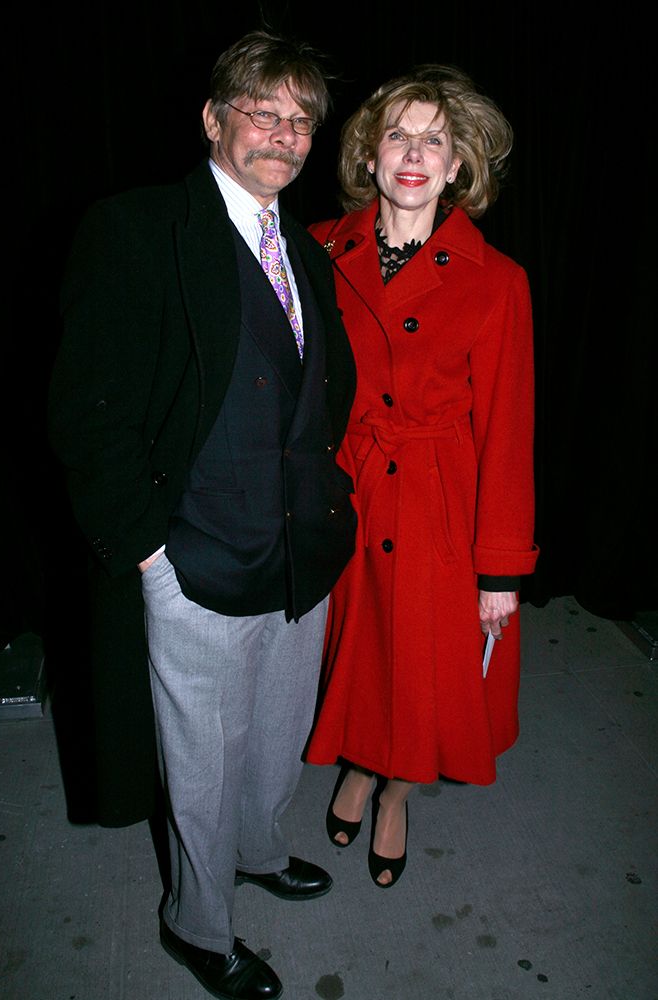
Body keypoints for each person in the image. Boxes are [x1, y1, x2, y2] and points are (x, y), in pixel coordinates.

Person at [48, 30, 357, 1000]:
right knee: (205, 756)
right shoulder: (137, 229)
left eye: (301, 117)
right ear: (215, 118)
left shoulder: (306, 254)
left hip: (299, 548)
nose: (284, 132)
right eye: (262, 110)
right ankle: (198, 919)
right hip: (192, 554)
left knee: (277, 730)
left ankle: (261, 851)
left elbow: (319, 398)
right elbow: (87, 410)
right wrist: (147, 552)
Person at [306, 64, 539, 889]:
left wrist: (500, 569)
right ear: (369, 155)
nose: (414, 153)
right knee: (363, 656)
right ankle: (361, 767)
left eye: (433, 140)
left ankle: (394, 792)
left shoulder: (499, 282)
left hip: (445, 498)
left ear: (458, 164)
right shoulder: (318, 249)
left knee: (425, 669)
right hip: (352, 488)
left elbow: (510, 431)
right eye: (397, 135)